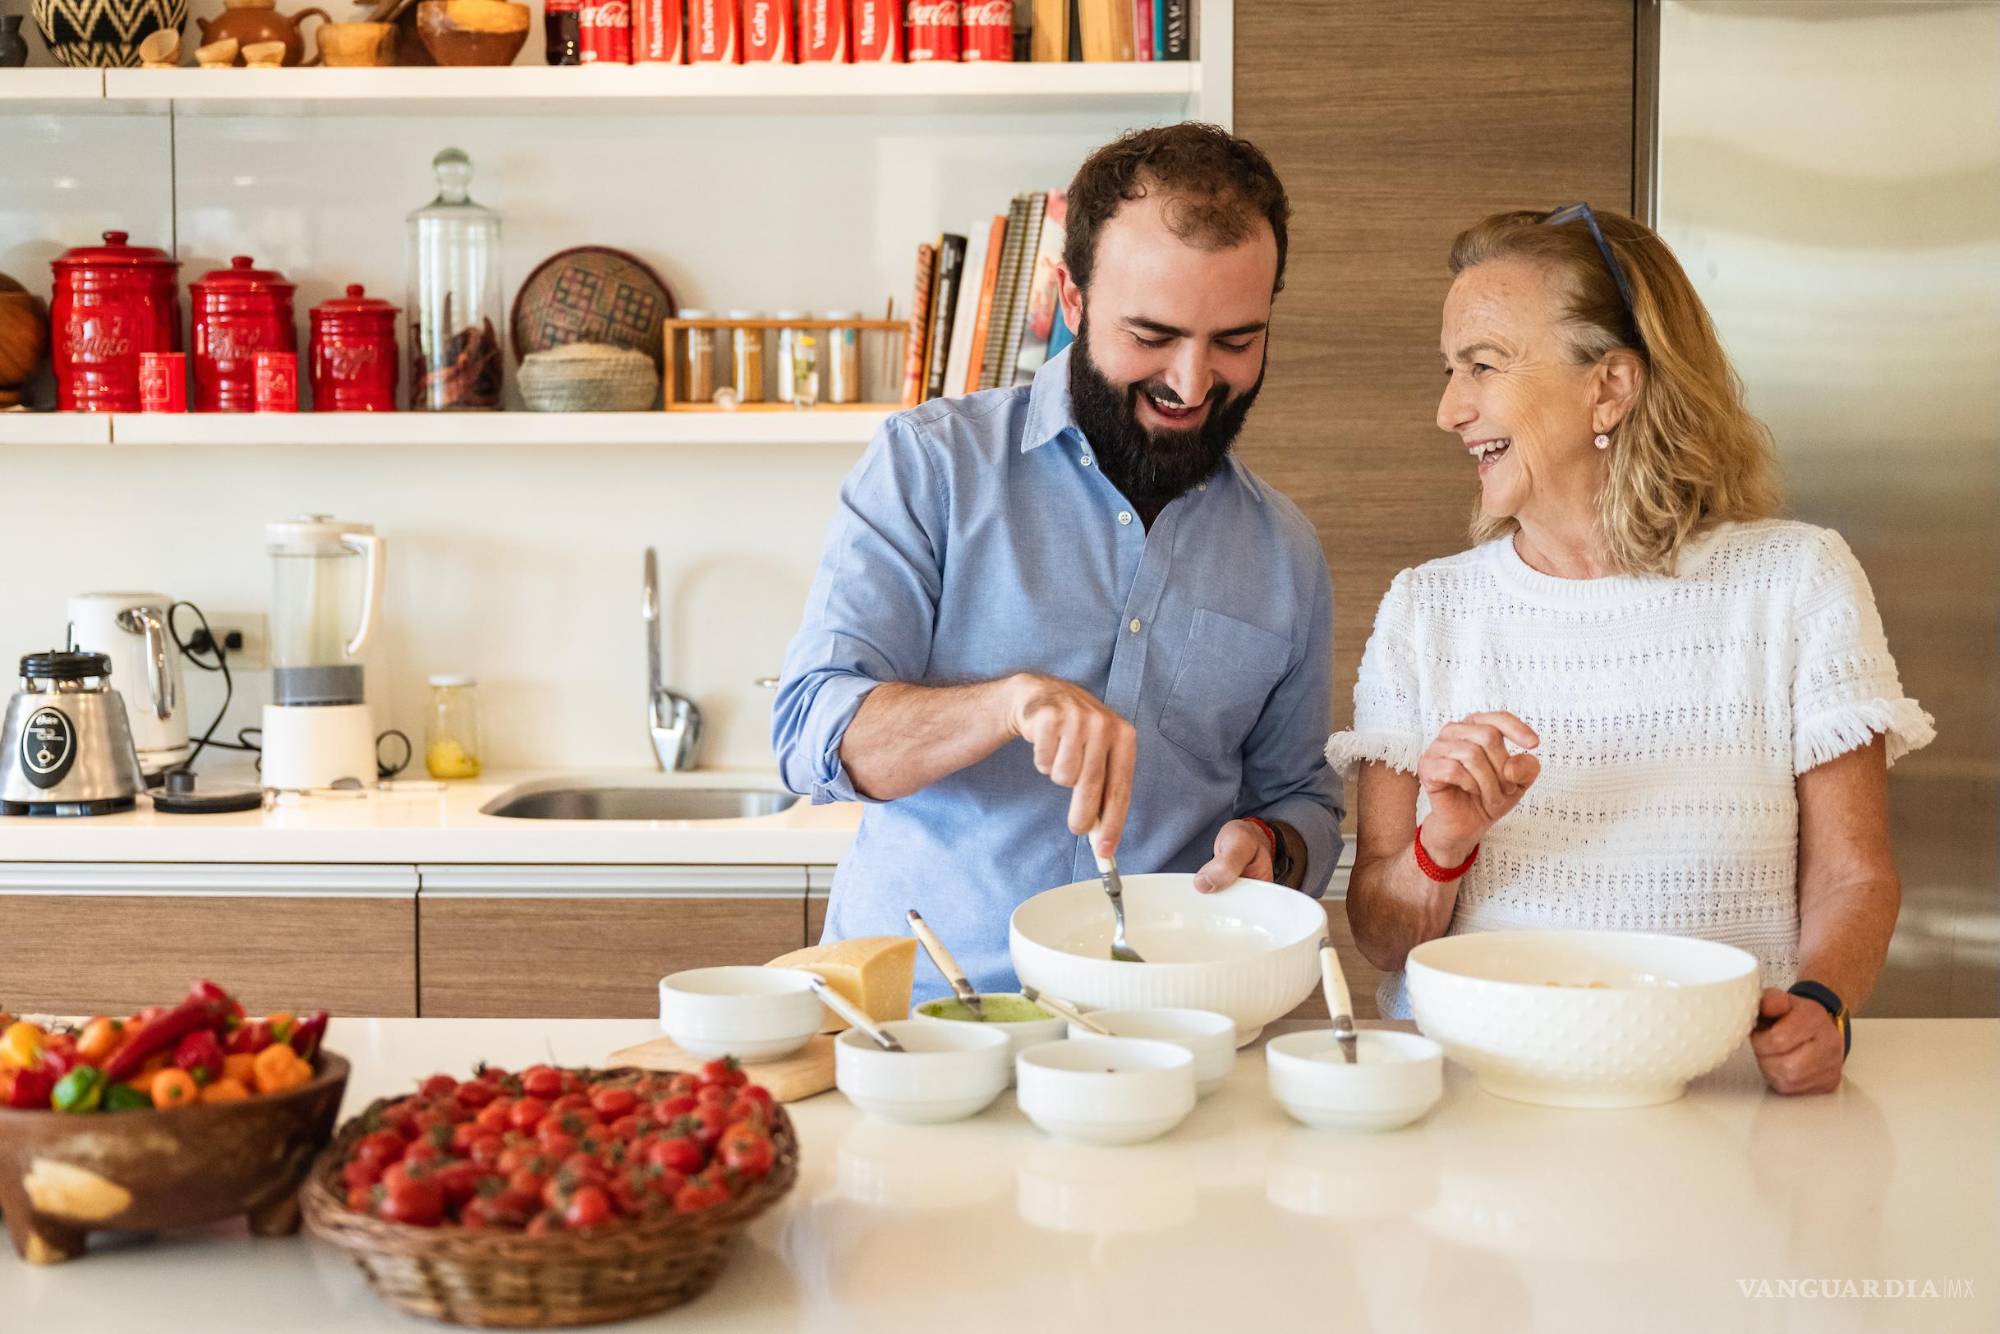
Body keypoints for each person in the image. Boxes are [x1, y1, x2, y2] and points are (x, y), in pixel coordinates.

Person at [1330, 203, 1933, 1095]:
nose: (1450, 409)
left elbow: (1852, 870)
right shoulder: (1428, 611)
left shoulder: (1796, 582)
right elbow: (1382, 937)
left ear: (1609, 386)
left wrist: (1822, 999)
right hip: (1482, 1101)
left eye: (1483, 367)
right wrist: (1440, 846)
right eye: (1452, 371)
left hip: (1722, 1089)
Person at [774, 123, 1341, 998]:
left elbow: (1301, 796)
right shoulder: (931, 468)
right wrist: (1007, 705)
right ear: (1071, 302)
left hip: (1168, 1023)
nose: (1192, 384)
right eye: (1152, 335)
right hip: (920, 1019)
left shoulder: (1285, 551)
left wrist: (1274, 847)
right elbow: (813, 730)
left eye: (1235, 341)